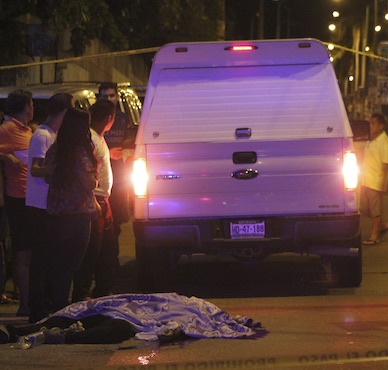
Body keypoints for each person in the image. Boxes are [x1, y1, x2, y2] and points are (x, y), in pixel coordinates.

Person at [0, 293, 261, 345]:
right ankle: (40, 333)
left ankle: (19, 331)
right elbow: (182, 325)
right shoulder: (196, 307)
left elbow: (176, 327)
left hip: (122, 313)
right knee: (109, 327)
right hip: (126, 313)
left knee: (80, 316)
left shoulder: (194, 306)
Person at [44, 107, 98, 313]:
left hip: (56, 213)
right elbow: (89, 183)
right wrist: (95, 178)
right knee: (72, 263)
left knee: (59, 261)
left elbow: (48, 177)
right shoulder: (79, 152)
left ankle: (58, 302)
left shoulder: (55, 150)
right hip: (78, 214)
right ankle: (64, 307)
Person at [26, 93, 73, 323]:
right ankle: (36, 310)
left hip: (49, 205)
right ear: (64, 111)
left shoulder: (52, 134)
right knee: (42, 260)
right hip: (39, 205)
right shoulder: (42, 136)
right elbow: (36, 169)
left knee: (49, 258)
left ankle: (43, 307)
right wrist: (56, 169)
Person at [72, 100, 116, 302]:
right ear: (109, 119)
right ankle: (82, 294)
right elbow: (86, 173)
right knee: (92, 249)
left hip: (100, 199)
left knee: (105, 248)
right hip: (96, 200)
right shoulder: (92, 139)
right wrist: (95, 201)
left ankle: (100, 291)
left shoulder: (97, 138)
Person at [0, 89, 35, 317]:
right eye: (31, 104)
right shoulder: (6, 129)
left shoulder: (27, 130)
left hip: (31, 197)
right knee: (23, 252)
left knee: (30, 252)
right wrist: (6, 157)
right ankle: (25, 303)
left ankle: (31, 300)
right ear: (25, 107)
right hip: (17, 198)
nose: (33, 109)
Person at [99, 82, 133, 296]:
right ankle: (105, 266)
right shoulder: (93, 119)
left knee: (118, 222)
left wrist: (126, 151)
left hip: (120, 176)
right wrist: (108, 153)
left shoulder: (123, 118)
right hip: (100, 178)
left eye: (112, 95)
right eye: (105, 96)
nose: (109, 99)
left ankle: (111, 264)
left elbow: (131, 140)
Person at [360, 113, 388, 245]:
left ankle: (374, 236)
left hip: (376, 182)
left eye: (373, 123)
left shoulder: (385, 142)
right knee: (362, 207)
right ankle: (383, 224)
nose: (370, 126)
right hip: (365, 181)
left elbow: (386, 165)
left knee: (374, 210)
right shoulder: (370, 139)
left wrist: (383, 185)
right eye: (370, 123)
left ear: (381, 126)